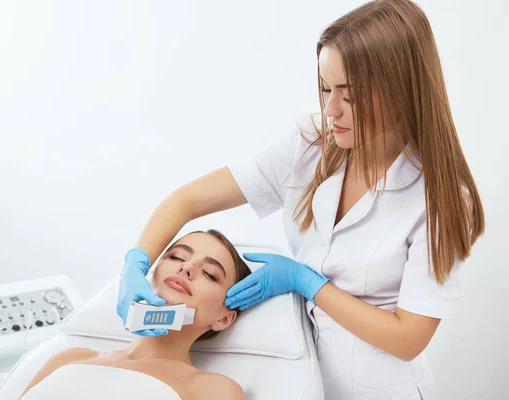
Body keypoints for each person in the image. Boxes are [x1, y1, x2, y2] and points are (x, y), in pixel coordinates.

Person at [117, 0, 485, 398]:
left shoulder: (437, 198)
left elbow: (408, 338)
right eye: (326, 88)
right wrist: (134, 265)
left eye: (351, 95)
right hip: (302, 382)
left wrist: (307, 282)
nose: (330, 109)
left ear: (401, 91)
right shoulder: (308, 146)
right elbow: (185, 201)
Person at [19, 230, 250, 400]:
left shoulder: (212, 391)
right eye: (177, 257)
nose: (186, 267)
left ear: (223, 318)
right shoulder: (67, 358)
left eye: (210, 274)